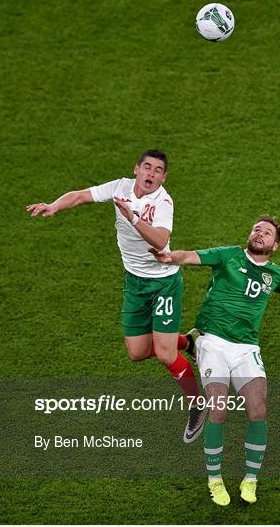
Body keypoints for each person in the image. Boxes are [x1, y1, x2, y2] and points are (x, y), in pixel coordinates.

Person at [26, 149, 207, 443]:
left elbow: (161, 240)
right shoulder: (120, 187)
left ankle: (197, 405)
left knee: (164, 354)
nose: (151, 174)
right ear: (136, 169)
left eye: (158, 170)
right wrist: (55, 205)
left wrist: (133, 218)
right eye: (147, 167)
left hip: (163, 283)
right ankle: (189, 341)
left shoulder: (163, 201)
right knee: (136, 352)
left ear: (163, 177)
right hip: (135, 283)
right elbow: (81, 195)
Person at [150, 215, 280, 506]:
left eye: (266, 233)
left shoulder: (274, 273)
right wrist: (170, 258)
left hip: (246, 347)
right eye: (257, 229)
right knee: (218, 409)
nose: (259, 234)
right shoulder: (228, 255)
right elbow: (191, 257)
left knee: (258, 408)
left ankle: (250, 479)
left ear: (274, 245)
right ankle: (215, 480)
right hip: (213, 341)